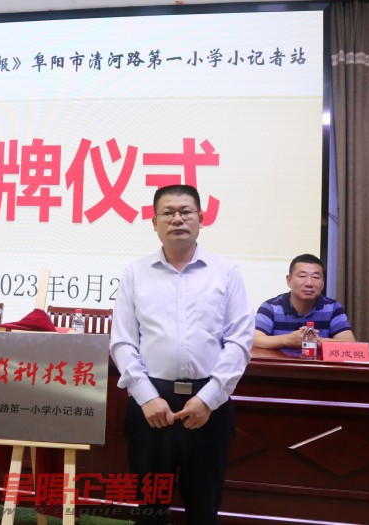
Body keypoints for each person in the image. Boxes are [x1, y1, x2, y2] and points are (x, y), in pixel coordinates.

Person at [110, 184, 255, 524]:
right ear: (154, 221)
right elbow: (122, 342)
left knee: (204, 507)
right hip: (151, 406)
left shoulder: (226, 272)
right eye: (168, 212)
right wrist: (146, 397)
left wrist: (209, 399)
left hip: (209, 405)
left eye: (186, 212)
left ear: (201, 218)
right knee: (150, 508)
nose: (177, 219)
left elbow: (239, 340)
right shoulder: (135, 273)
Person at [253, 253, 356, 349]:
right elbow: (254, 340)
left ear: (323, 283)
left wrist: (317, 341)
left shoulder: (332, 308)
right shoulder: (270, 307)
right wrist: (288, 340)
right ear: (289, 280)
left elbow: (351, 345)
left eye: (315, 277)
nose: (309, 283)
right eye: (302, 276)